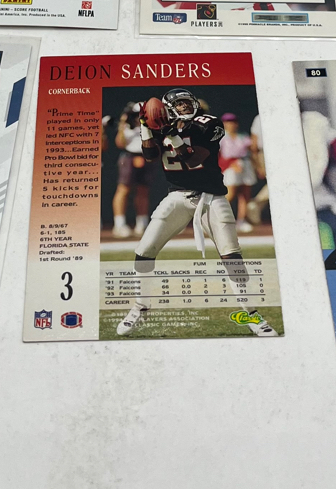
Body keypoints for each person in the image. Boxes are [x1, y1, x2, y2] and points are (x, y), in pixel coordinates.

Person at [116, 88, 277, 338]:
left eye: (187, 103)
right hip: (177, 197)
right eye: (179, 104)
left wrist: (170, 133)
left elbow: (193, 160)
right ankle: (141, 306)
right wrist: (146, 127)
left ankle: (252, 315)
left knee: (232, 258)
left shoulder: (208, 124)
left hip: (211, 198)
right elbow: (149, 155)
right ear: (169, 109)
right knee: (143, 251)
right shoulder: (163, 127)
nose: (185, 107)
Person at [111, 103, 151, 239]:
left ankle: (142, 224)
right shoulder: (127, 126)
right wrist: (122, 124)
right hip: (129, 157)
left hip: (146, 157)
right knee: (124, 189)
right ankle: (119, 224)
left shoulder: (150, 124)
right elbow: (120, 143)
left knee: (143, 190)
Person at [219, 114, 258, 233]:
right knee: (229, 194)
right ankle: (220, 220)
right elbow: (217, 155)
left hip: (245, 165)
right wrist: (229, 164)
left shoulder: (243, 136)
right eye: (227, 122)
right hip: (230, 167)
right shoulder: (221, 138)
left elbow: (252, 150)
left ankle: (242, 221)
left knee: (245, 194)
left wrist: (258, 166)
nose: (231, 124)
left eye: (233, 122)